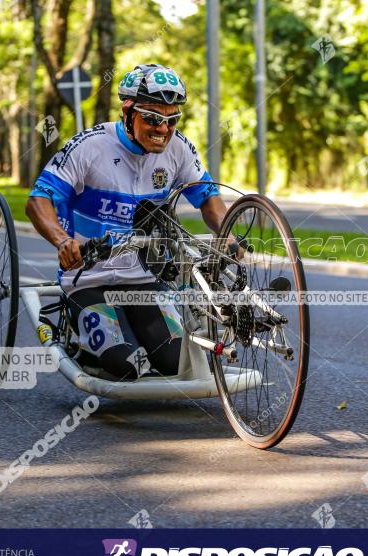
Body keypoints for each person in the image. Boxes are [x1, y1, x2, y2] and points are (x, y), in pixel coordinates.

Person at [26, 64, 230, 380]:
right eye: (152, 118)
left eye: (171, 120)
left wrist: (226, 234)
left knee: (179, 362)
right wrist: (63, 241)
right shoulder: (90, 145)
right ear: (128, 112)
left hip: (145, 279)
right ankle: (79, 335)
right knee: (126, 366)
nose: (163, 129)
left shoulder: (178, 148)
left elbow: (208, 199)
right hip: (89, 278)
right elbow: (37, 200)